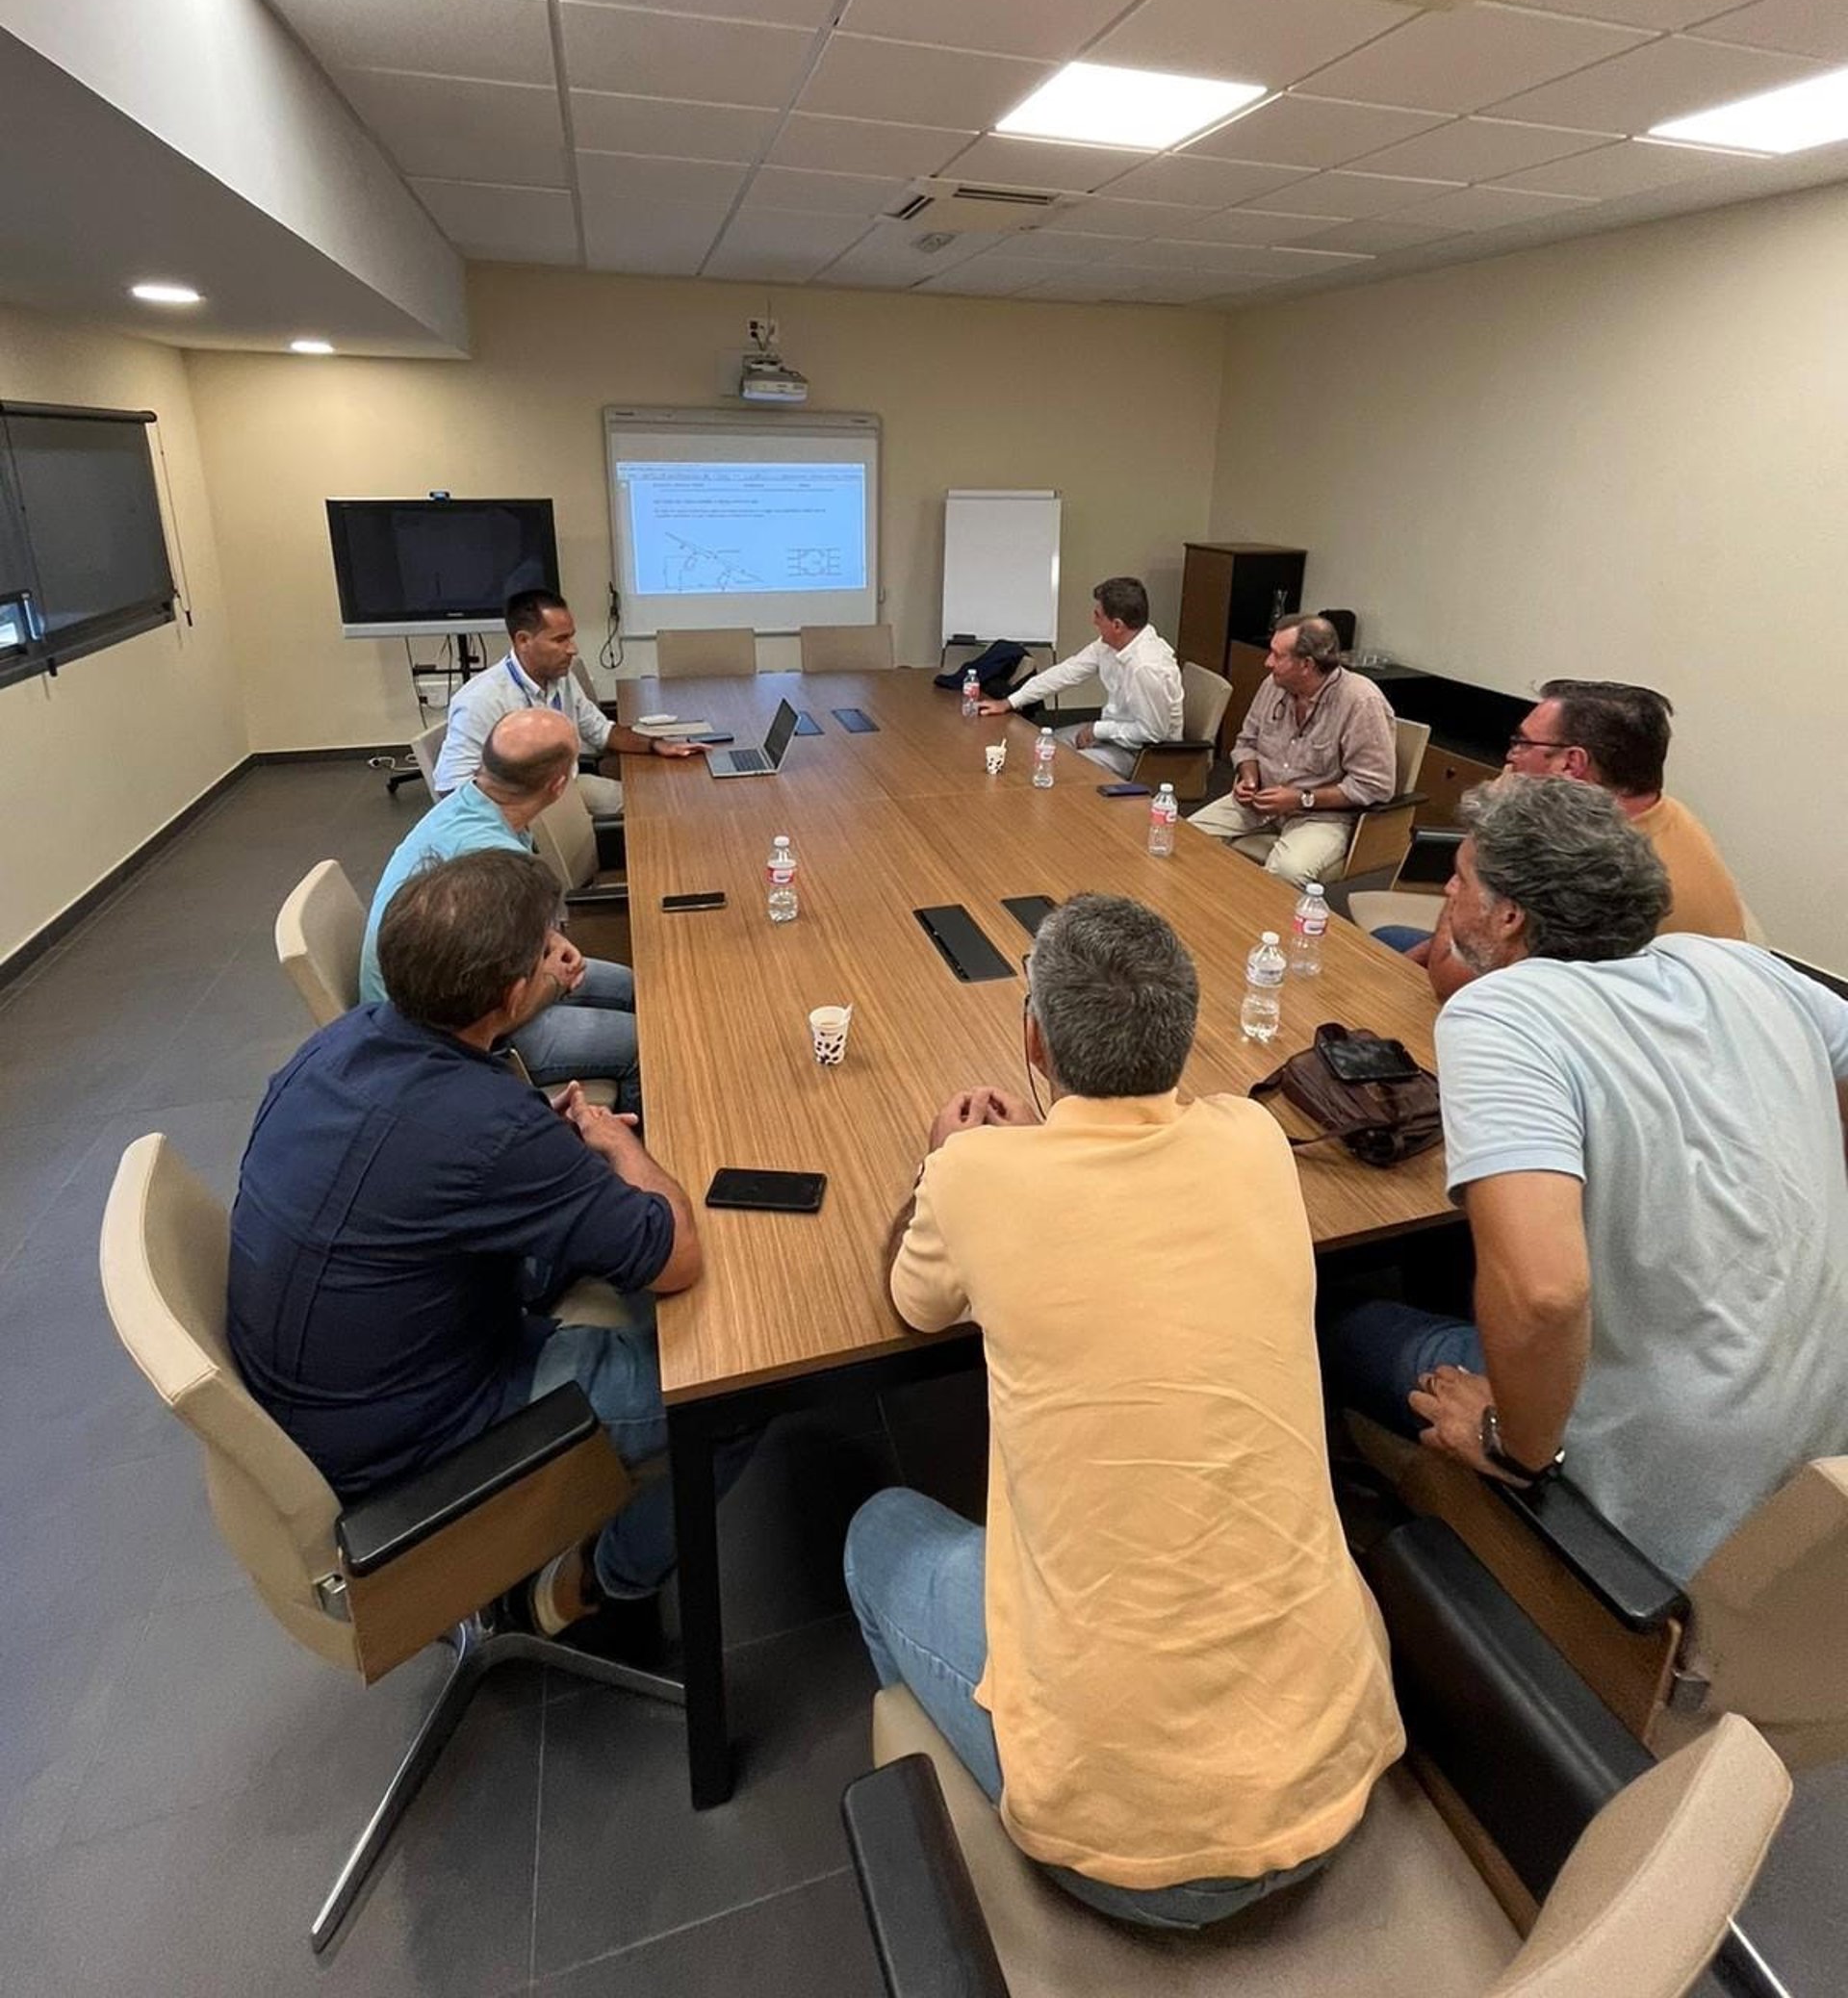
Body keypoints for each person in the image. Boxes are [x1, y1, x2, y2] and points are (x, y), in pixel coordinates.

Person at [844, 893, 1403, 1930]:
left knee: (876, 1531)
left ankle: (971, 1864)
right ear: (1183, 1035)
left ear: (1034, 1041)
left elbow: (913, 1304)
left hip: (1133, 1854)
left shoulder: (971, 1177)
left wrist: (943, 1160)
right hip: (1337, 1764)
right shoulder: (1255, 1139)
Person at [1323, 778, 1848, 1583]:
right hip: (1818, 1431)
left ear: (1508, 915)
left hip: (1650, 1498)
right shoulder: (1743, 965)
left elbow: (1545, 1295)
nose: (1448, 894)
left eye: (1459, 879)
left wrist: (1514, 1443)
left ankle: (1416, 1561)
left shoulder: (1502, 1012)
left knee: (1329, 1305)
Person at [229, 849, 711, 1632]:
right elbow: (677, 1256)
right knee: (725, 1390)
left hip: (332, 1401)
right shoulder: (489, 1129)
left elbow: (428, 1167)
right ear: (514, 993)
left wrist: (540, 1157)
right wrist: (617, 1144)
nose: (561, 955)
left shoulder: (331, 1048)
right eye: (546, 948)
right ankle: (598, 1583)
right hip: (417, 1452)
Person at [361, 706, 641, 1111]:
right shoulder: (496, 860)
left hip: (452, 991)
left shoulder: (469, 803)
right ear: (559, 786)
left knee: (632, 985)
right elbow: (495, 1011)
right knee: (644, 1042)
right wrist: (553, 981)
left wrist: (547, 940)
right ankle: (625, 1144)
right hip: (443, 1039)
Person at [1372, 678, 1747, 961]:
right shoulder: (1664, 814)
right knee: (1389, 940)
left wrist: (1493, 822)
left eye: (1523, 743)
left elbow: (1448, 976)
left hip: (1598, 1027)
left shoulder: (1582, 865)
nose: (1511, 756)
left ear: (1571, 763)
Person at [434, 585, 694, 819]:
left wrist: (655, 744)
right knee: (650, 812)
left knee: (656, 803)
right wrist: (520, 815)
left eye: (571, 636)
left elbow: (601, 731)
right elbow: (451, 788)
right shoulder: (481, 700)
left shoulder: (561, 677)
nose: (573, 649)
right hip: (520, 807)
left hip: (566, 788)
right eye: (560, 639)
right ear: (523, 641)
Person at [1187, 614, 1396, 884]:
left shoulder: (1360, 701)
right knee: (1184, 837)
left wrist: (1301, 799)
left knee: (1286, 871)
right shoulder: (1273, 685)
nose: (1268, 662)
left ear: (1306, 664)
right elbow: (1247, 742)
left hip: (1321, 817)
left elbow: (1374, 786)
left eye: (1277, 655)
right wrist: (1249, 779)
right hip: (1259, 802)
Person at [975, 576, 1182, 777]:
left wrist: (1098, 730)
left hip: (1143, 754)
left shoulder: (1146, 667)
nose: (1094, 621)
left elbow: (1153, 733)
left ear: (1117, 625)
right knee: (1042, 745)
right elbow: (1066, 673)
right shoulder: (1109, 646)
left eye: (1098, 615)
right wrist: (1010, 702)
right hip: (1114, 735)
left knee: (1055, 764)